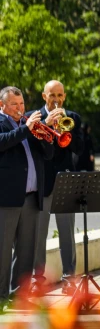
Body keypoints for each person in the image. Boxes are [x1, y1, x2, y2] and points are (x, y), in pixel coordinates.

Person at [0, 87, 53, 311]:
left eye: (22, 104)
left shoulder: (27, 124)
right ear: (2, 105)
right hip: (7, 198)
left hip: (31, 197)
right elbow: (3, 142)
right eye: (15, 105)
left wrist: (47, 133)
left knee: (26, 250)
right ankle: (1, 297)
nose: (20, 109)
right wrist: (27, 129)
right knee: (2, 251)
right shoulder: (6, 125)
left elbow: (48, 155)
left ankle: (19, 295)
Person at [34, 80, 85, 295]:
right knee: (39, 234)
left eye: (60, 95)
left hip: (65, 182)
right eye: (52, 95)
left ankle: (70, 278)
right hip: (42, 181)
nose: (56, 99)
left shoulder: (72, 118)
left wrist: (63, 127)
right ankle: (37, 279)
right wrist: (46, 123)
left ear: (64, 96)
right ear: (44, 96)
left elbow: (80, 148)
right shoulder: (34, 116)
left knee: (67, 234)